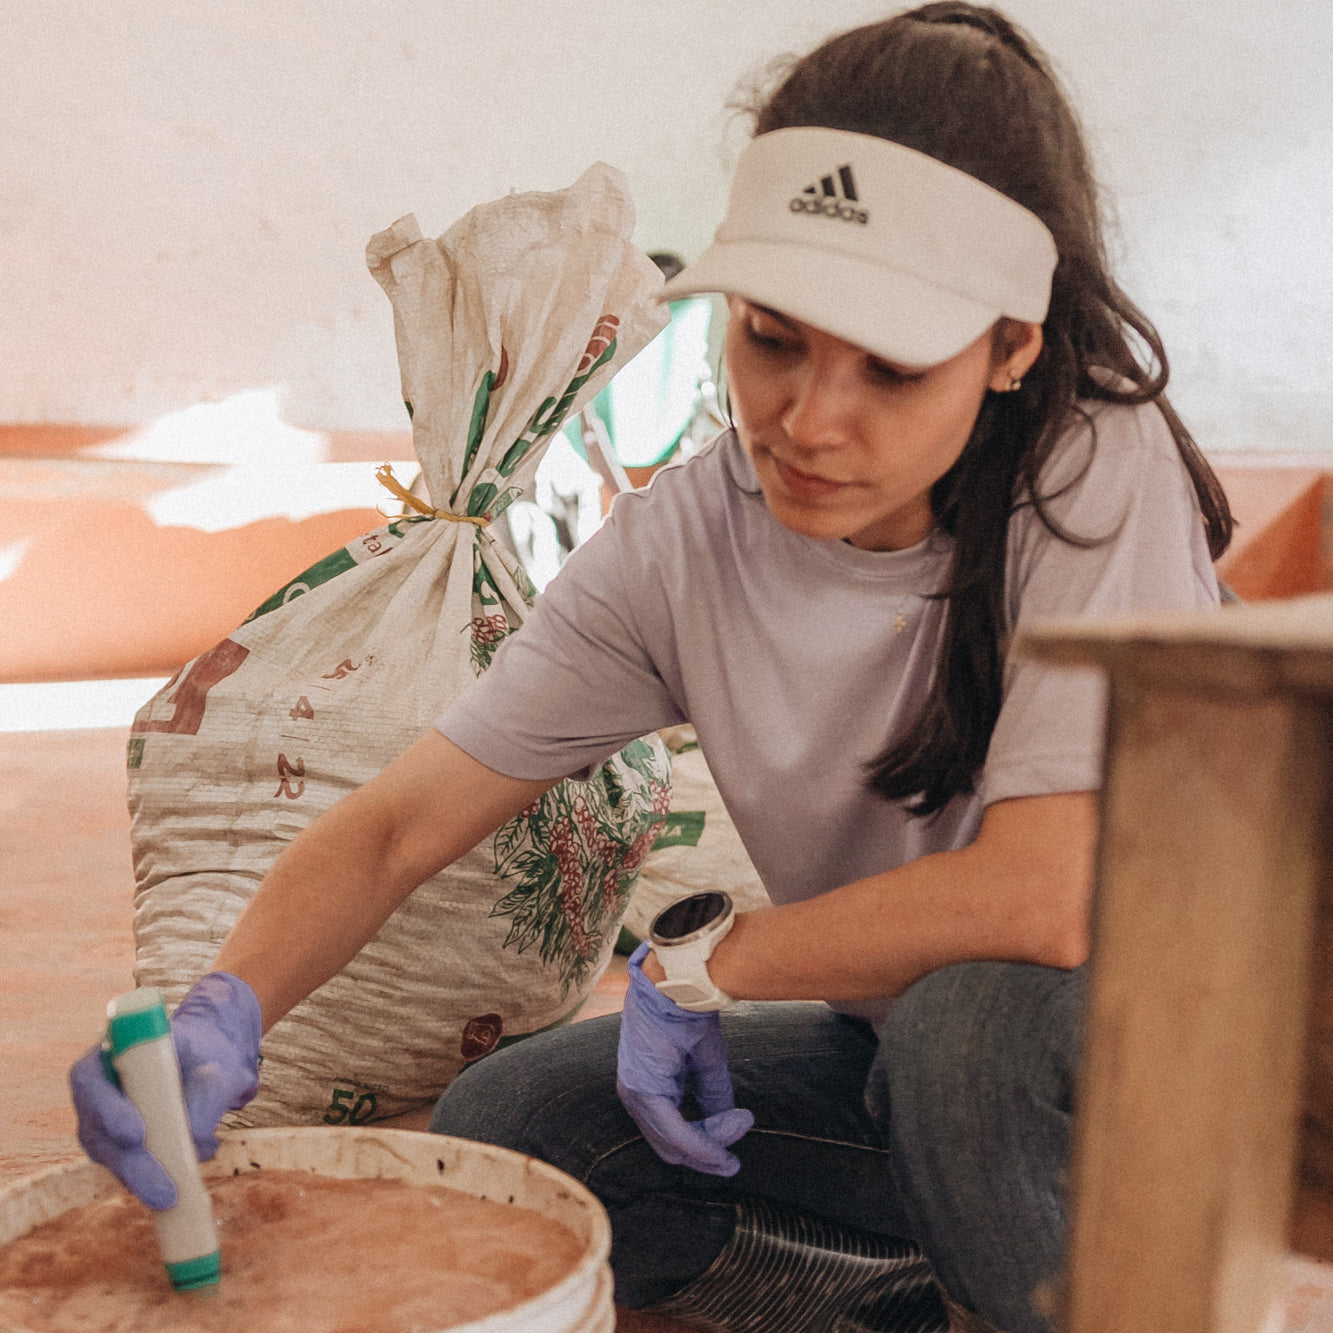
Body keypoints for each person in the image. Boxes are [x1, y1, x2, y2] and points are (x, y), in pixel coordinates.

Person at [71, 5, 1232, 1330]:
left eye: (892, 369)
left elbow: (1046, 899)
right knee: (520, 1121)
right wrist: (223, 1004)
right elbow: (399, 827)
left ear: (1010, 349)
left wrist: (704, 961)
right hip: (907, 1077)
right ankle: (933, 1274)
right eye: (772, 337)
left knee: (962, 1028)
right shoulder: (687, 543)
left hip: (1145, 1071)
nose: (807, 420)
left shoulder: (1093, 467)